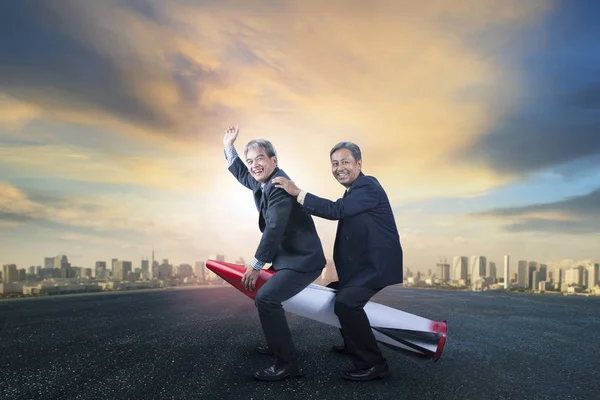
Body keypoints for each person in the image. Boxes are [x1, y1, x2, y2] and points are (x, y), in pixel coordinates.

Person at [272, 141, 403, 381]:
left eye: (345, 162)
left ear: (359, 164)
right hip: (365, 265)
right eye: (334, 163)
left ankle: (374, 364)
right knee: (335, 293)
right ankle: (354, 345)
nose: (339, 167)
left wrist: (297, 193)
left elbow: (335, 210)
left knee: (346, 303)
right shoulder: (355, 189)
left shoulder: (367, 187)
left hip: (377, 266)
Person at [222, 125, 326, 381]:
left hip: (303, 261)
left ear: (273, 160)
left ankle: (287, 364)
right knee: (265, 297)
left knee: (266, 299)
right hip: (288, 258)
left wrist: (256, 265)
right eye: (250, 161)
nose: (254, 165)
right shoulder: (264, 181)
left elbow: (275, 228)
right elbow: (243, 175)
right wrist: (228, 147)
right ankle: (276, 346)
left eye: (260, 158)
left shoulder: (279, 185)